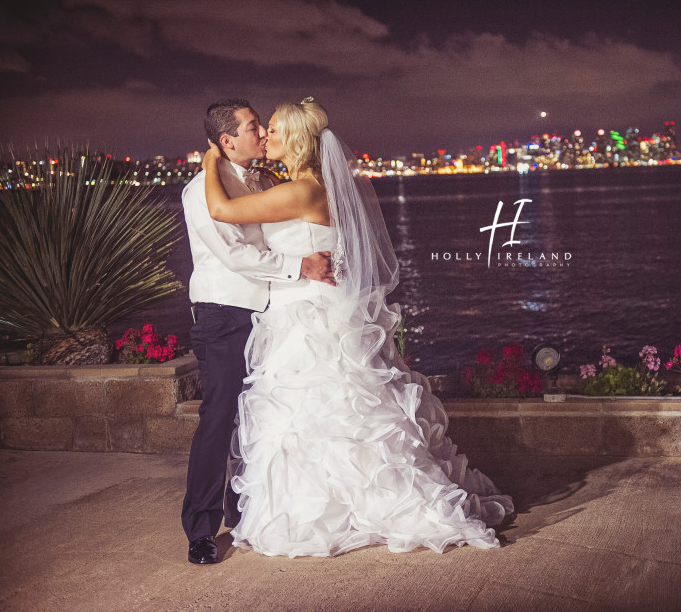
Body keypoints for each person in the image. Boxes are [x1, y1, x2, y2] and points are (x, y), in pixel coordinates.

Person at [201, 98, 513, 557]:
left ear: (295, 140)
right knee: (322, 416)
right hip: (303, 310)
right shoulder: (303, 184)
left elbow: (224, 212)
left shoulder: (304, 190)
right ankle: (338, 503)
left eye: (272, 129)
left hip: (310, 316)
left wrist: (210, 160)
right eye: (260, 128)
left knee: (326, 412)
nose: (265, 135)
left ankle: (357, 506)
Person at [181, 98, 337, 565]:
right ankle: (202, 530)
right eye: (254, 127)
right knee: (220, 417)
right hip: (224, 315)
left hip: (271, 315)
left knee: (262, 417)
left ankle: (245, 511)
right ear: (227, 141)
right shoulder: (201, 191)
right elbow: (236, 256)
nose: (262, 135)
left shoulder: (269, 181)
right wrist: (301, 264)